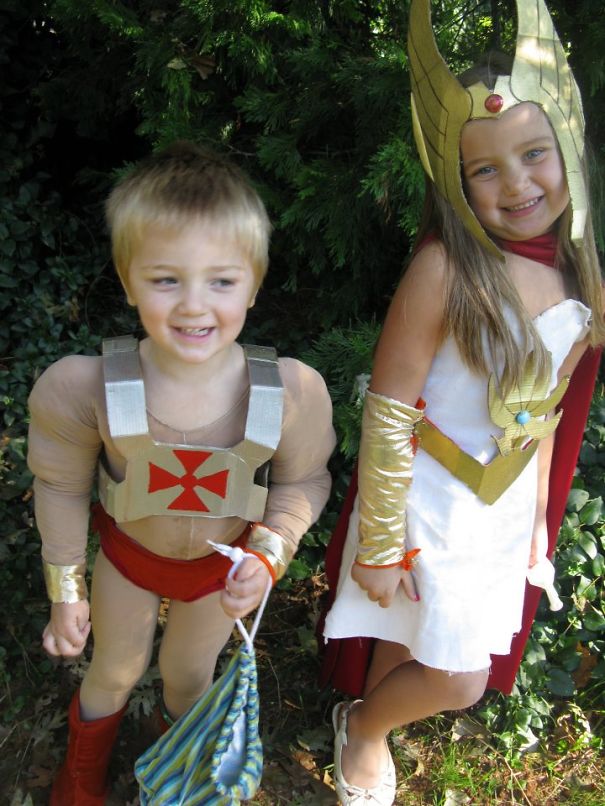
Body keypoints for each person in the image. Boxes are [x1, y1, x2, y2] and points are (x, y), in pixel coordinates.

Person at [321, 1, 604, 804]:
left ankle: (366, 719)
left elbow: (546, 414)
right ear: (455, 182)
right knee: (458, 678)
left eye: (533, 154)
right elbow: (389, 409)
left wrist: (539, 518)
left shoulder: (578, 274)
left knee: (418, 634)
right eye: (485, 169)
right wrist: (379, 543)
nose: (516, 183)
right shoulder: (444, 270)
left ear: (567, 149)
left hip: (498, 510)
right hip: (425, 502)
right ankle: (364, 727)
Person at [27, 141, 336, 805]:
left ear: (254, 283)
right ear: (127, 280)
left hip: (216, 575)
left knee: (188, 676)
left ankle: (170, 776)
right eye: (166, 280)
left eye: (221, 281)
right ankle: (81, 775)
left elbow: (303, 480)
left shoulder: (288, 393)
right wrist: (66, 588)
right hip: (130, 558)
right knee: (114, 668)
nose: (194, 306)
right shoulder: (88, 388)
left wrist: (270, 552)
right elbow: (60, 484)